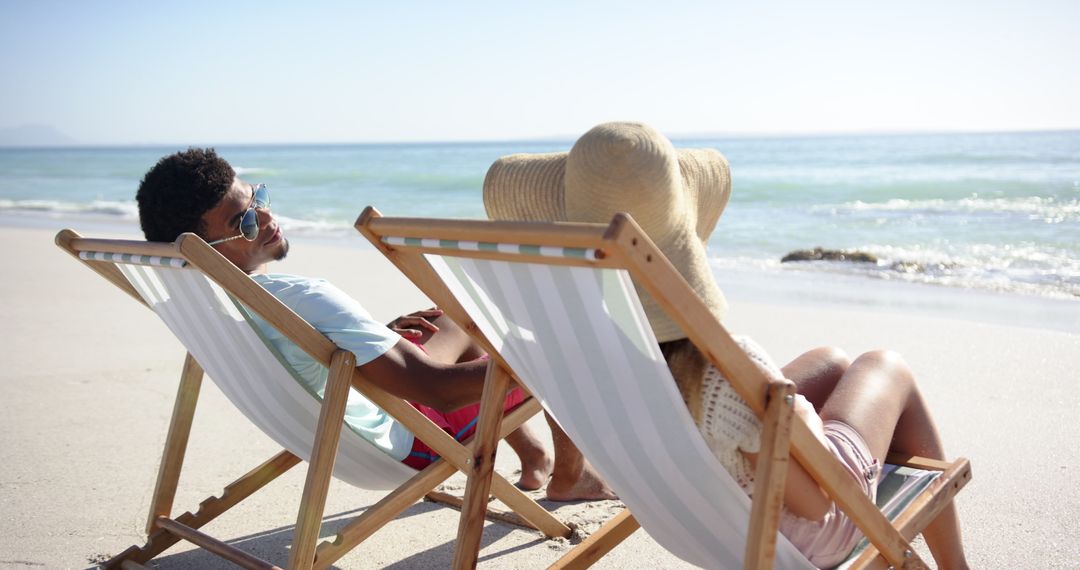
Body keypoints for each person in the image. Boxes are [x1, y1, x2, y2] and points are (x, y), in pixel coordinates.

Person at [483, 121, 969, 568]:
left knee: (832, 361)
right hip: (798, 536)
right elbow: (818, 505)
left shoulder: (571, 350)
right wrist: (793, 423)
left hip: (688, 520)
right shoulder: (722, 373)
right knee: (885, 365)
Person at [134, 147, 615, 501]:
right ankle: (573, 478)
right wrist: (555, 352)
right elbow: (438, 390)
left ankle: (535, 461)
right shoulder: (303, 298)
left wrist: (371, 335)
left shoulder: (212, 302)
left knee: (453, 318)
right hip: (411, 443)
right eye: (244, 223)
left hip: (342, 432)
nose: (266, 216)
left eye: (258, 197)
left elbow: (301, 358)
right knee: (550, 341)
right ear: (205, 248)